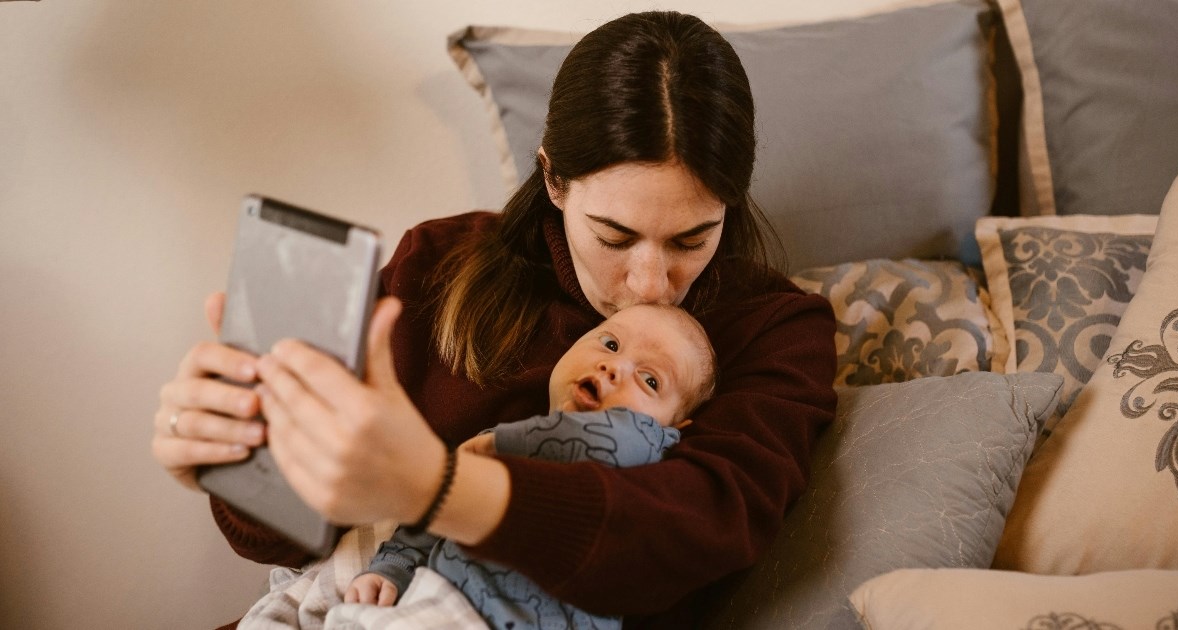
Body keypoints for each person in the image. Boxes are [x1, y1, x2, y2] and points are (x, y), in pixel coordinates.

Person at [152, 9, 837, 628]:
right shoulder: (442, 263)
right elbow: (270, 540)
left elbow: (693, 532)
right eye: (615, 236)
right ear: (552, 180)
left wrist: (437, 485)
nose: (651, 285)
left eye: (692, 239)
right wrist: (235, 456)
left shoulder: (775, 330)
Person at [343, 304, 715, 629]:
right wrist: (391, 569)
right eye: (610, 344)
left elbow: (610, 439)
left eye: (650, 380)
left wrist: (502, 445)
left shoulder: (645, 457)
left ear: (671, 430)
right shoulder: (504, 437)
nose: (614, 367)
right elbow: (432, 513)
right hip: (430, 600)